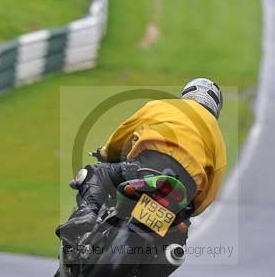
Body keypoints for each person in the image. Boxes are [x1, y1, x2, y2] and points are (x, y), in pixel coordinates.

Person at [55, 77, 227, 249]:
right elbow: (209, 195)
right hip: (182, 195)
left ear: (187, 94)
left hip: (146, 168)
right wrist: (190, 209)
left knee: (95, 173)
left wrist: (107, 153)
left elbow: (123, 134)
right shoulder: (218, 140)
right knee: (176, 242)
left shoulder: (165, 106)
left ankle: (86, 214)